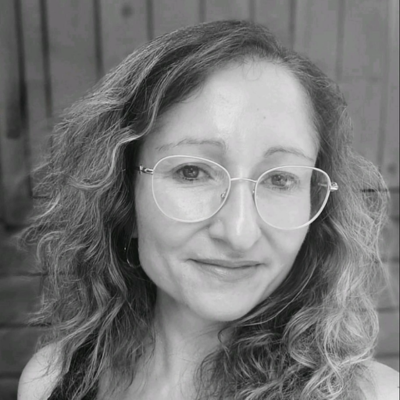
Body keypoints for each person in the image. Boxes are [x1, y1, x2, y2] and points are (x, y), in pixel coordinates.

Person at [17, 20, 398, 400]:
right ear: (122, 196)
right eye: (192, 172)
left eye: (280, 179)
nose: (239, 233)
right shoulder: (50, 381)